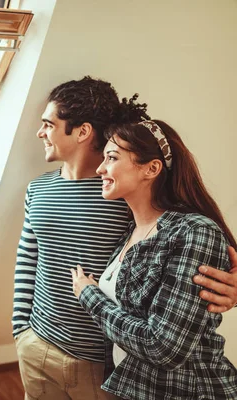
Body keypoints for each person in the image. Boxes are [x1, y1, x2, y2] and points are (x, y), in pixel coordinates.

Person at [12, 77, 237, 400]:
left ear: (82, 131)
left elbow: (187, 265)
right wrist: (21, 328)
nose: (40, 132)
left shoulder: (123, 199)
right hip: (37, 344)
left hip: (104, 364)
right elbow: (27, 259)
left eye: (49, 123)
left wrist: (232, 287)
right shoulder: (43, 191)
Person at [71, 119, 237, 399]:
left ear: (151, 168)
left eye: (111, 158)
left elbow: (164, 347)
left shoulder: (194, 232)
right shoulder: (132, 230)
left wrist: (90, 295)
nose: (100, 169)